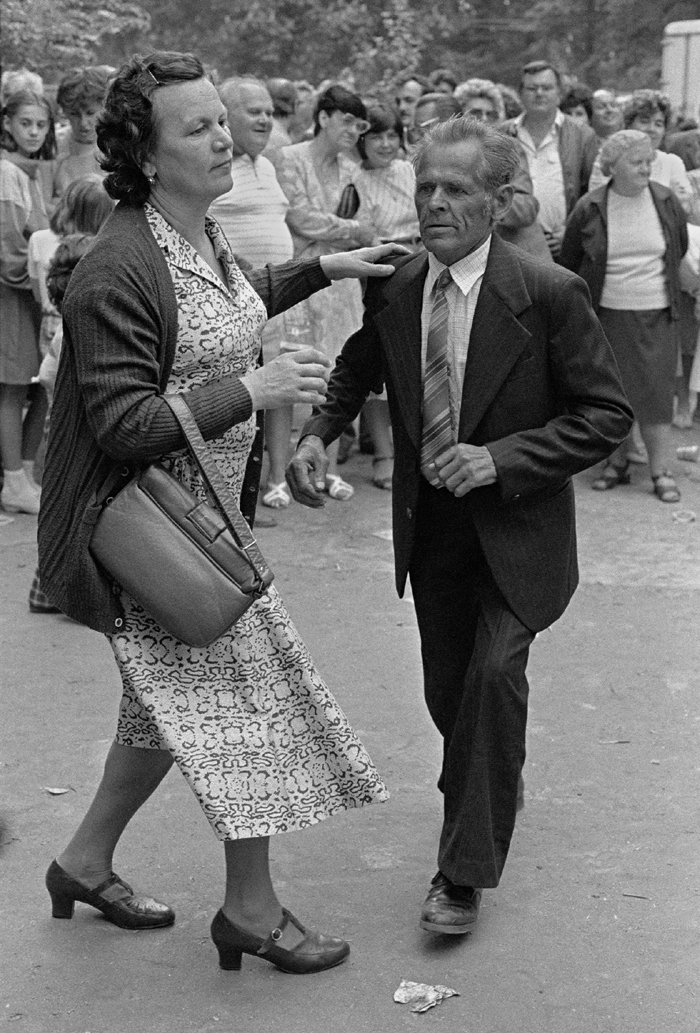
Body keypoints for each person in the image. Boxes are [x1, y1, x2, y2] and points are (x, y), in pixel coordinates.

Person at [37, 51, 404, 975]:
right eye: (197, 127)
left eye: (221, 121)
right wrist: (256, 389)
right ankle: (250, 910)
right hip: (154, 542)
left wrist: (325, 267)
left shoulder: (192, 234)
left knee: (160, 717)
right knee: (251, 713)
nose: (223, 138)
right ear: (145, 156)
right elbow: (123, 424)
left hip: (204, 526)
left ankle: (83, 861)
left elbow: (228, 311)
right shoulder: (116, 266)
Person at [287, 116, 632, 938]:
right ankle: (489, 777)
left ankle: (462, 874)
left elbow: (605, 413)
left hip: (520, 531)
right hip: (433, 528)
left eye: (457, 189)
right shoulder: (400, 282)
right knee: (452, 693)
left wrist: (501, 458)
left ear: (501, 200)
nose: (436, 202)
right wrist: (319, 432)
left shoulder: (548, 292)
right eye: (427, 186)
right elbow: (361, 365)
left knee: (493, 677)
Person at [561, 129, 689, 503]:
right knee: (611, 395)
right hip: (606, 317)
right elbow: (570, 259)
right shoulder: (590, 207)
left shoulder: (665, 200)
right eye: (636, 162)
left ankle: (660, 471)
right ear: (613, 166)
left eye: (649, 161)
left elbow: (678, 248)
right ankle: (615, 463)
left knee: (657, 395)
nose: (646, 169)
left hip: (657, 314)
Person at [278, 84, 379, 501]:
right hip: (298, 276)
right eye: (347, 121)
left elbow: (369, 224)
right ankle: (277, 474)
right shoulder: (290, 158)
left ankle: (330, 469)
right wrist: (350, 230)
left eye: (361, 126)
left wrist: (344, 232)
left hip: (341, 282)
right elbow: (299, 217)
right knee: (289, 369)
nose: (354, 132)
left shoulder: (354, 170)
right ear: (323, 117)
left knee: (337, 370)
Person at [210, 76, 297, 512]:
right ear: (225, 118)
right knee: (239, 397)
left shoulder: (267, 164)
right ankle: (229, 497)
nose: (266, 120)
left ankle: (275, 479)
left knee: (280, 387)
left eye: (270, 112)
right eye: (255, 112)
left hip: (274, 306)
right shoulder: (213, 168)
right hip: (230, 308)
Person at [354, 103, 422, 489]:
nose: (385, 144)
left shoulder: (411, 171)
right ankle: (383, 453)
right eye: (376, 136)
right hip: (378, 271)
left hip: (421, 261)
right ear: (361, 139)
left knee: (417, 361)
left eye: (392, 135)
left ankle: (416, 448)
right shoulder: (354, 179)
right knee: (378, 363)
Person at [0, 89, 56, 514]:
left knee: (41, 383)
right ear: (7, 124)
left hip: (39, 294)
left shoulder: (33, 170)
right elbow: (9, 247)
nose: (34, 132)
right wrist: (45, 284)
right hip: (17, 294)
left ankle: (27, 476)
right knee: (14, 387)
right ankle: (14, 481)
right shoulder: (7, 171)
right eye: (25, 123)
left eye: (41, 124)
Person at [503, 60, 598, 260]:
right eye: (532, 88)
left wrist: (570, 232)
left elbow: (592, 193)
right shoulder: (502, 134)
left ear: (559, 93)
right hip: (512, 244)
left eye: (546, 88)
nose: (539, 93)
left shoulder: (583, 135)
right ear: (520, 93)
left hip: (564, 247)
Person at [455, 81, 551, 262]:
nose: (484, 119)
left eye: (491, 115)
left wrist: (478, 203)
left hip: (521, 258)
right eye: (476, 113)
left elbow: (526, 207)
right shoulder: (446, 154)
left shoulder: (508, 149)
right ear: (458, 117)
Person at [588, 91, 693, 213]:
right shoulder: (610, 158)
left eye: (658, 124)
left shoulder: (672, 163)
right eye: (644, 121)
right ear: (628, 125)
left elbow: (683, 207)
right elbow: (596, 205)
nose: (652, 129)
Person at [53, 67, 110, 196]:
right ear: (65, 112)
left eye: (90, 113)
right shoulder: (56, 146)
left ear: (104, 109)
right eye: (74, 114)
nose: (83, 123)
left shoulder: (118, 148)